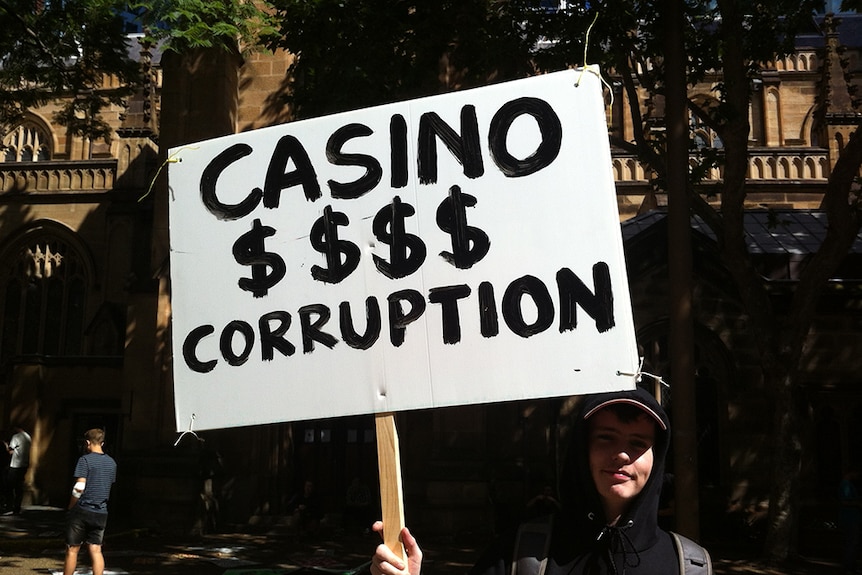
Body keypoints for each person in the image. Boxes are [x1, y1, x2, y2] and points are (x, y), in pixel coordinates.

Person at [371, 386, 708, 575]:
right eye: (606, 438)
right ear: (581, 449)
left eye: (638, 443)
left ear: (657, 458)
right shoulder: (520, 554)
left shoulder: (689, 566)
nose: (622, 454)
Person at [64, 428, 117, 575]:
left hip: (82, 509)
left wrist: (71, 506)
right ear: (103, 442)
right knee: (96, 549)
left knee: (72, 549)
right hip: (101, 511)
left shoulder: (84, 460)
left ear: (87, 443)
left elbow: (79, 487)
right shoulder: (112, 463)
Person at [4, 424, 31, 514]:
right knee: (19, 487)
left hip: (15, 465)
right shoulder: (28, 437)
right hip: (24, 464)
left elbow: (10, 451)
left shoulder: (16, 437)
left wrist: (5, 445)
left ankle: (9, 506)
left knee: (10, 486)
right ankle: (17, 507)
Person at [839, 467, 862, 574]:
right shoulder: (846, 484)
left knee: (851, 542)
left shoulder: (848, 485)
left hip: (851, 517)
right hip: (850, 518)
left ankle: (850, 565)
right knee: (851, 542)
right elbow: (844, 501)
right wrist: (858, 504)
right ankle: (848, 566)